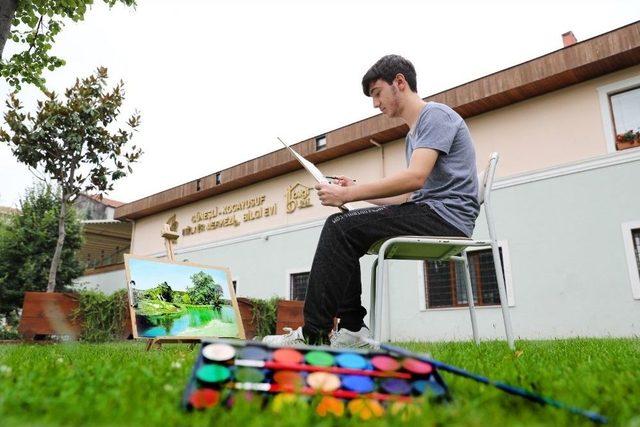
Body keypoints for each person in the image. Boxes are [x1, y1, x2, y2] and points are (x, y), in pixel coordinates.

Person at [263, 54, 480, 347]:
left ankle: (315, 334)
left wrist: (348, 194)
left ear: (399, 83)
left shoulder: (436, 116)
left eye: (377, 93)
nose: (375, 104)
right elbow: (407, 194)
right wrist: (356, 186)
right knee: (345, 230)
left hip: (446, 217)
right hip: (431, 211)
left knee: (340, 227)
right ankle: (352, 330)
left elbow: (415, 178)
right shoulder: (412, 135)